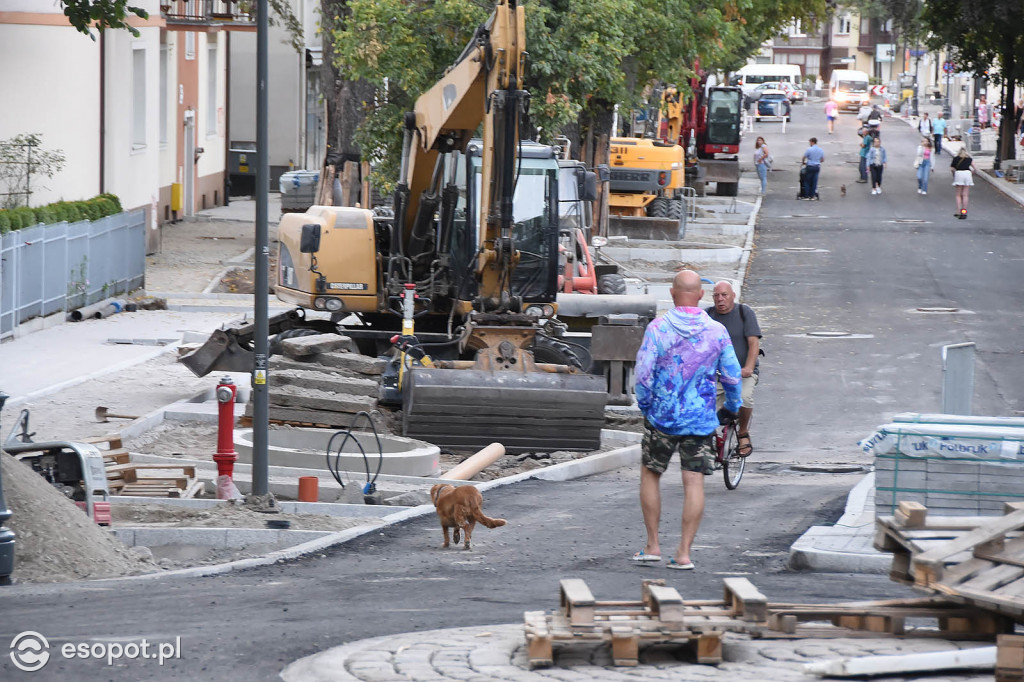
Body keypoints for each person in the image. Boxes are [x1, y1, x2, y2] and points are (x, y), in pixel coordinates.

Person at [632, 270, 742, 570]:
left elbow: (643, 373)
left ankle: (652, 546)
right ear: (701, 296)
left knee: (650, 474)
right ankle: (683, 553)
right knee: (693, 482)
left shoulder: (658, 328)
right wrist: (733, 405)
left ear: (671, 293)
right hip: (700, 419)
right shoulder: (717, 332)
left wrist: (645, 404)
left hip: (661, 417)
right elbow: (732, 376)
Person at [706, 281, 761, 459]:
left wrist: (749, 368)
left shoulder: (744, 313)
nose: (720, 299)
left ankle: (743, 432)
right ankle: (710, 439)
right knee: (702, 406)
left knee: (744, 398)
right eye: (716, 295)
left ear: (733, 296)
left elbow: (754, 343)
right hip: (716, 375)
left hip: (741, 373)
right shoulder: (707, 315)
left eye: (724, 295)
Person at [950, 147, 976, 218]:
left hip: (959, 173)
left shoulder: (956, 159)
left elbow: (952, 168)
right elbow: (974, 168)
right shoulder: (969, 159)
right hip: (967, 174)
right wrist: (972, 173)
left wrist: (954, 175)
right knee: (965, 195)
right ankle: (964, 211)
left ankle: (958, 211)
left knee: (958, 195)